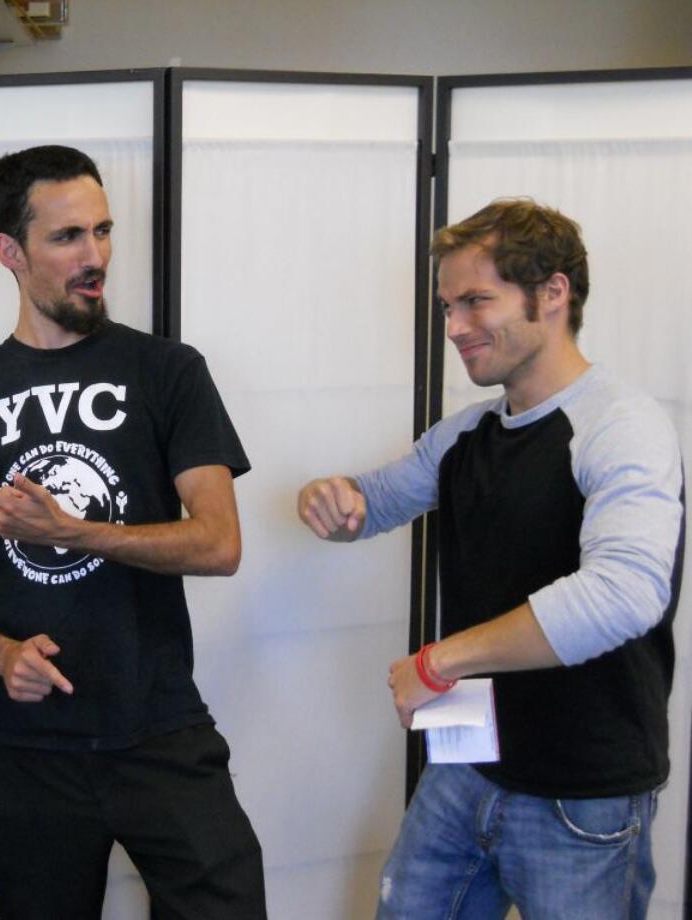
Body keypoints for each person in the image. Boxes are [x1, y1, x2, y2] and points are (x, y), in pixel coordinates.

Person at [0, 145, 266, 919]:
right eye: (66, 237)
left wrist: (76, 530)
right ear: (9, 251)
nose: (94, 256)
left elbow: (218, 543)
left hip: (159, 727)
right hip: (24, 744)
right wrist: (0, 654)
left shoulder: (168, 372)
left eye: (102, 231)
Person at [296, 199, 685, 919]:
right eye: (448, 307)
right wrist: (332, 499)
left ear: (553, 293)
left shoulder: (621, 427)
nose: (454, 328)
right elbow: (371, 504)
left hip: (583, 794)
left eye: (476, 301)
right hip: (468, 768)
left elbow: (625, 594)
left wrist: (440, 663)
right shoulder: (468, 434)